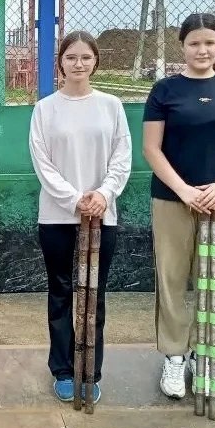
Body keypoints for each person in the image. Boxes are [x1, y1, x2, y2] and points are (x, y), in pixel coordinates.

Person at [142, 13, 215, 399]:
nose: (202, 50)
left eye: (209, 43)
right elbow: (151, 149)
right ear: (183, 46)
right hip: (172, 200)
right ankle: (174, 356)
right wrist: (184, 190)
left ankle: (203, 353)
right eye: (194, 43)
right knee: (171, 279)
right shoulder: (165, 90)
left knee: (213, 281)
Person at [29, 30, 132, 404]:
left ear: (95, 62)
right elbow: (43, 163)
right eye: (71, 57)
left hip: (103, 215)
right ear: (60, 62)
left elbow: (122, 157)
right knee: (61, 292)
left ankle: (91, 370)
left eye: (86, 57)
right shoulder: (45, 109)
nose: (78, 64)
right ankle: (63, 370)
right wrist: (75, 200)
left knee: (94, 295)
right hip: (57, 216)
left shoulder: (111, 106)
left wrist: (103, 195)